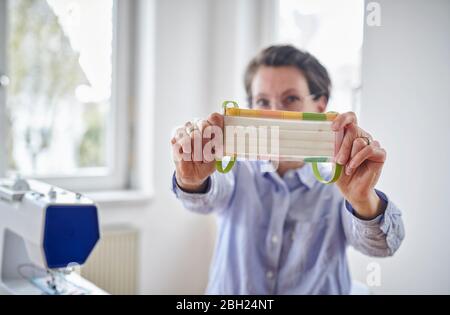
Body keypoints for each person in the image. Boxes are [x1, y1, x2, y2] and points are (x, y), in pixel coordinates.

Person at [170, 45, 405, 294]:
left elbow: (383, 246)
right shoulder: (235, 170)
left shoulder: (341, 182)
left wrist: (363, 199)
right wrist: (190, 180)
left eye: (290, 99)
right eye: (262, 101)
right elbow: (203, 200)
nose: (274, 113)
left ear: (320, 106)